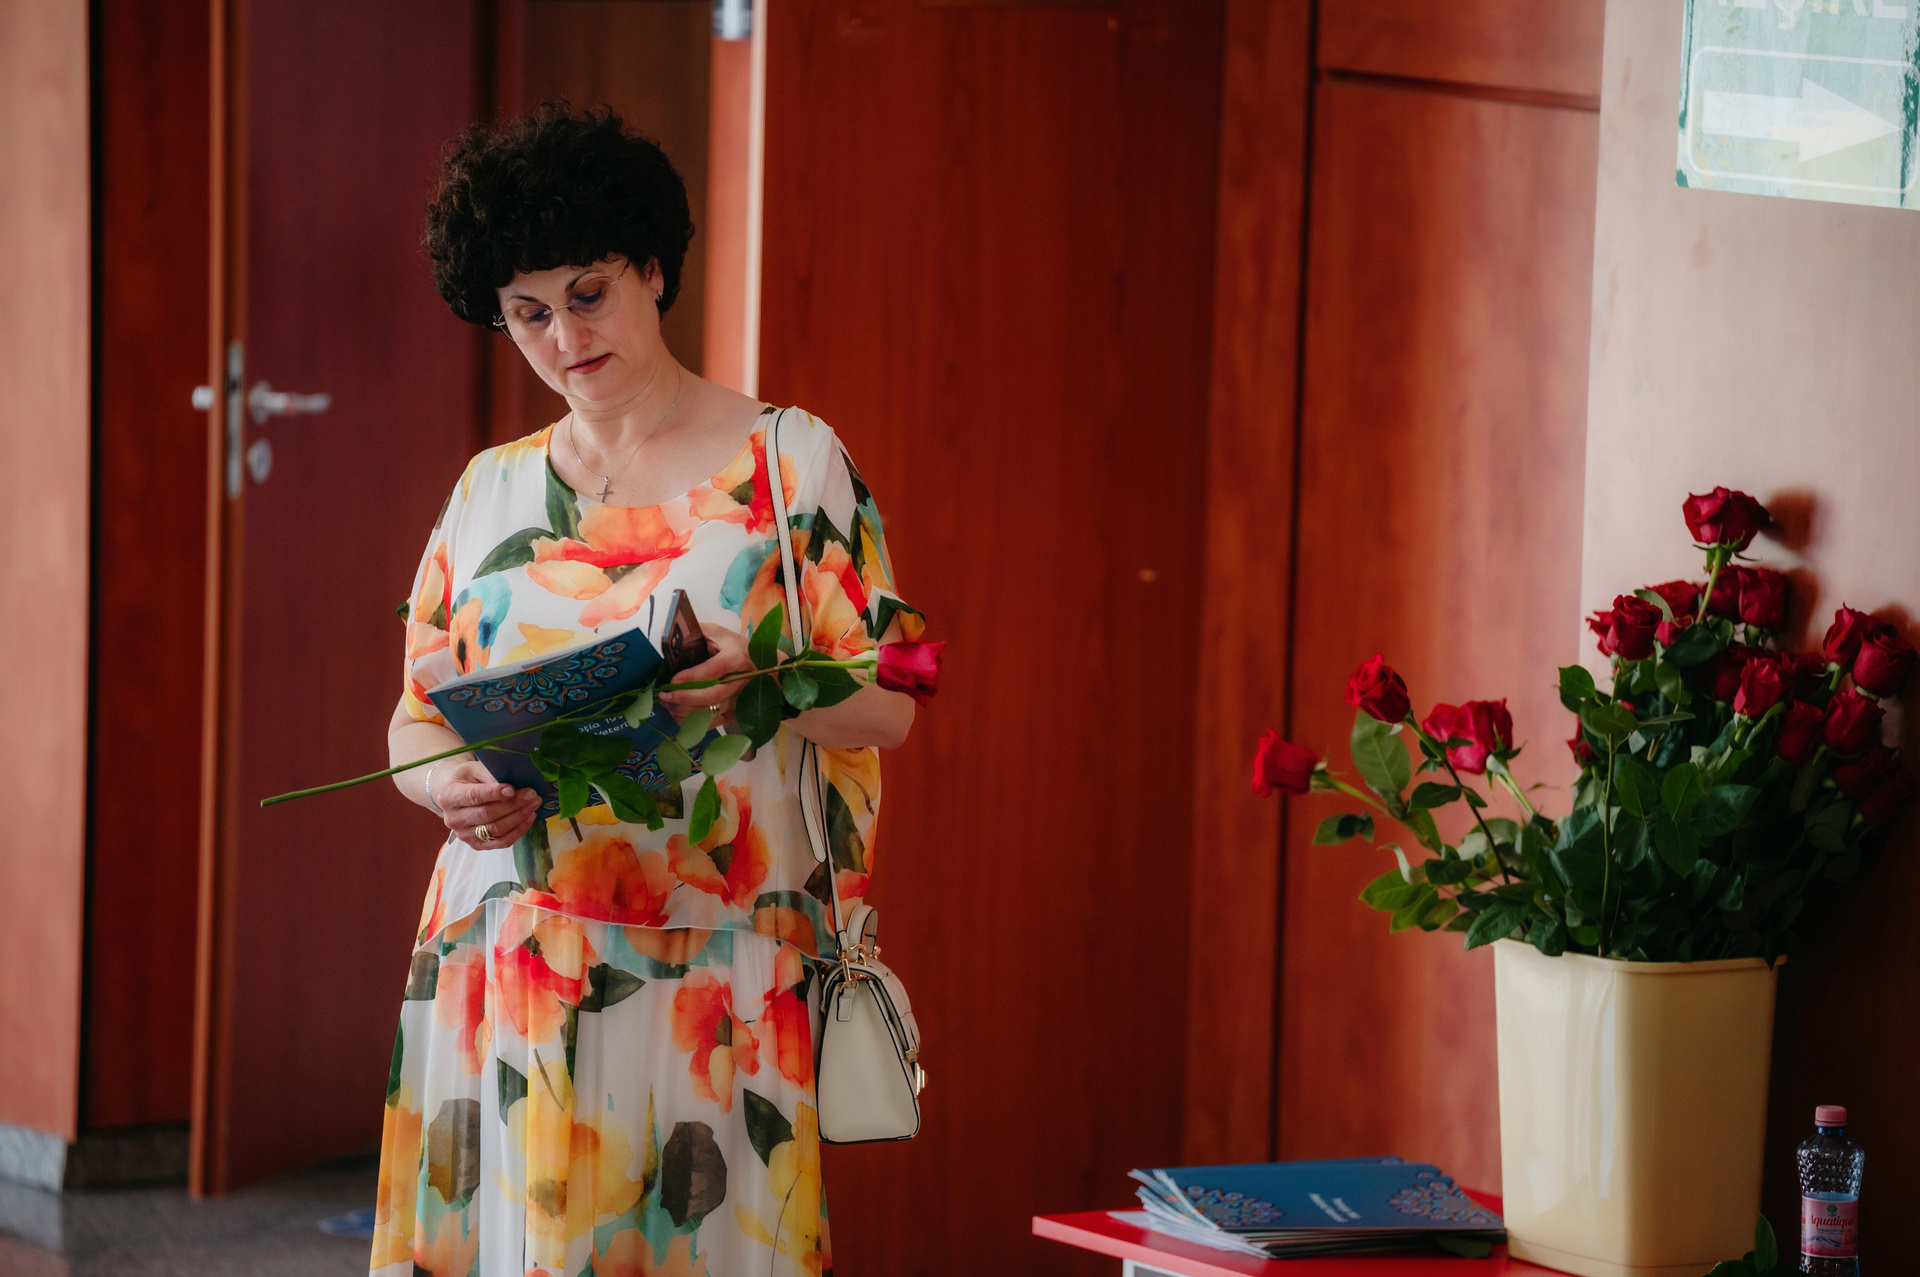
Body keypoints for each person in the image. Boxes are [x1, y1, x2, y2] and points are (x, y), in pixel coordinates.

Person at [370, 105, 924, 1277]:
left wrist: (760, 686)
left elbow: (889, 704)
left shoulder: (788, 463)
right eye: (529, 312)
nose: (565, 336)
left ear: (654, 270)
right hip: (511, 955)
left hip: (715, 969)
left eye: (589, 293)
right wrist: (445, 786)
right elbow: (415, 721)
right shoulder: (488, 492)